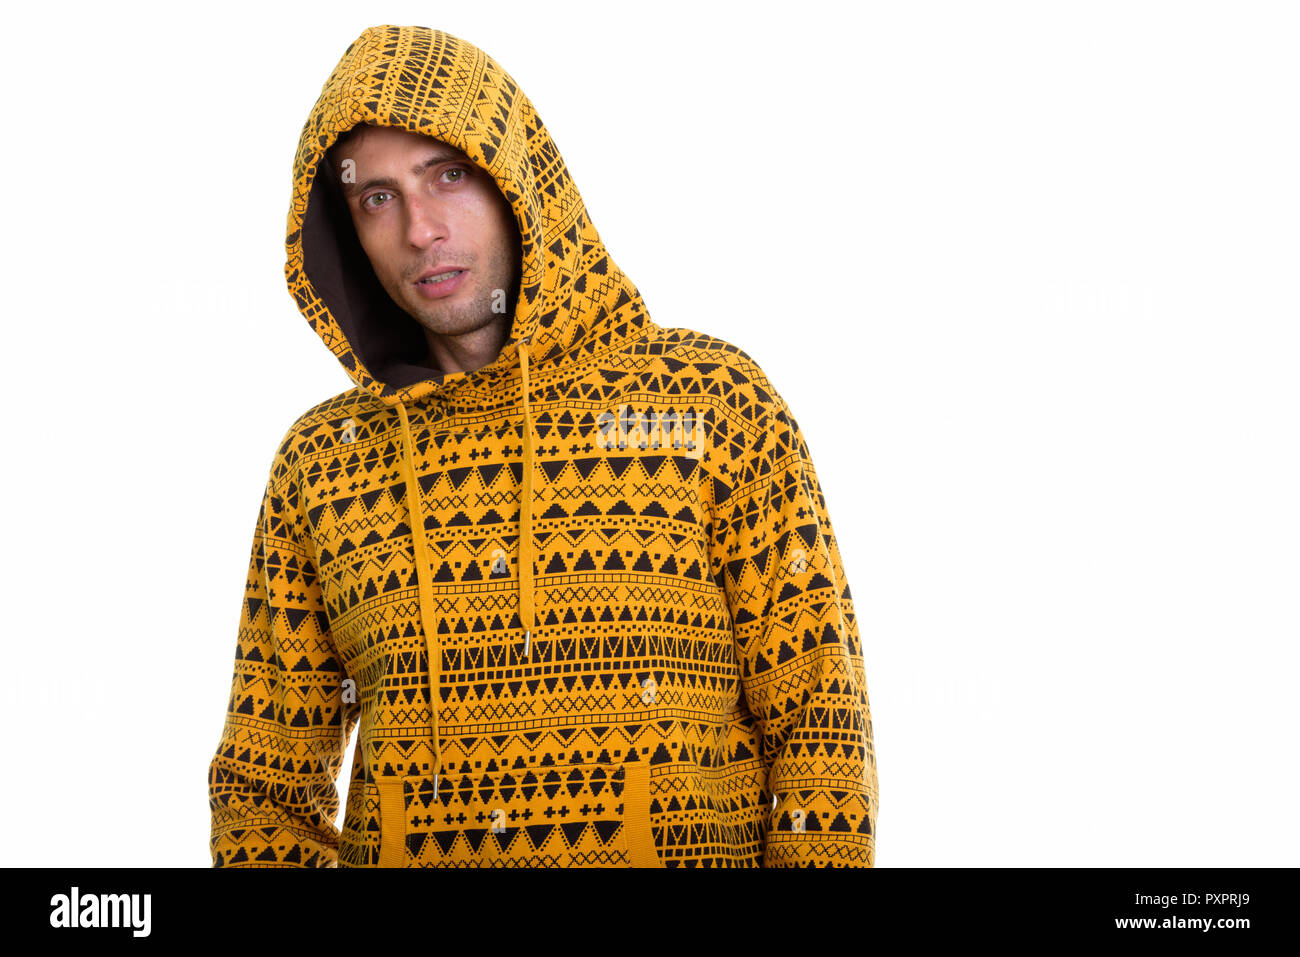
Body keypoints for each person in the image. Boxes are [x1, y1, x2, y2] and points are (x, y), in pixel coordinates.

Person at [207, 23, 879, 868]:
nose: (420, 230)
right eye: (376, 197)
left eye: (447, 175)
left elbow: (823, 739)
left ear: (520, 179)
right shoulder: (323, 464)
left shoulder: (715, 407)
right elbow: (262, 795)